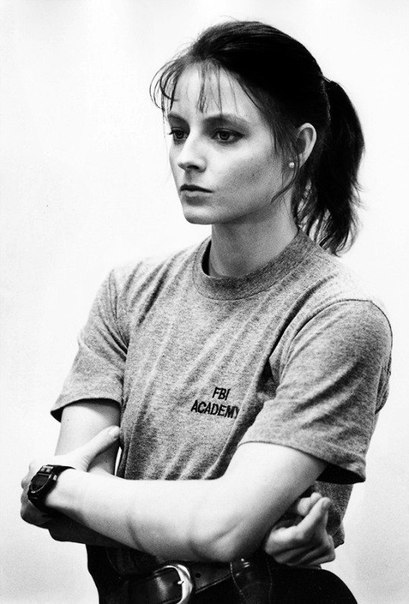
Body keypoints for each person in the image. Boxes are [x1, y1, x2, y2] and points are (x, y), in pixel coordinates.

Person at [21, 20, 392, 603]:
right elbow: (66, 517)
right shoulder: (129, 292)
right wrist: (234, 518)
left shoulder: (338, 316)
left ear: (298, 149)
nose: (187, 157)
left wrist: (52, 484)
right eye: (177, 131)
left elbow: (216, 528)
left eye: (223, 134)